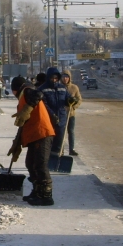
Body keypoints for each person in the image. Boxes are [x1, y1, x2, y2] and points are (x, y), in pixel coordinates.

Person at [7, 75, 56, 205]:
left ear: (15, 89)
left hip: (42, 133)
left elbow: (38, 93)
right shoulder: (23, 96)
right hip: (34, 135)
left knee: (40, 165)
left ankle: (46, 195)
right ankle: (37, 191)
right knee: (30, 163)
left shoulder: (27, 90)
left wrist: (27, 108)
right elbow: (23, 123)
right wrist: (16, 144)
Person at [39, 67, 70, 159]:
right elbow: (44, 105)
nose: (54, 80)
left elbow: (67, 98)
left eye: (56, 78)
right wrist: (52, 114)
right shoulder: (42, 89)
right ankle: (48, 159)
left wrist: (71, 100)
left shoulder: (62, 88)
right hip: (49, 119)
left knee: (60, 141)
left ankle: (58, 158)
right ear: (48, 78)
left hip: (61, 118)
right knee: (48, 141)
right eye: (52, 78)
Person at [61, 72, 82, 157]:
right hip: (61, 114)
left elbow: (79, 99)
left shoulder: (74, 88)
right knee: (61, 132)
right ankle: (60, 149)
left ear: (69, 78)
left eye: (67, 77)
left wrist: (74, 106)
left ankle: (71, 149)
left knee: (71, 131)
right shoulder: (59, 87)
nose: (65, 79)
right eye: (63, 77)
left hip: (71, 114)